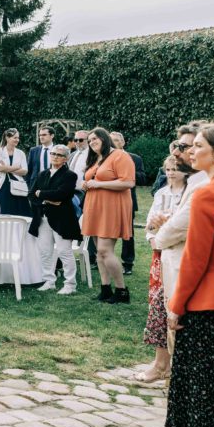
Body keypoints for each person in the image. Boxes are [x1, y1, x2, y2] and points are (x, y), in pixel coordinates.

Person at [163, 122, 214, 427]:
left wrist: (176, 305)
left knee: (204, 385)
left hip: (207, 302)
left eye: (198, 146)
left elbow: (196, 259)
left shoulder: (206, 195)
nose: (190, 152)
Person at [146, 123, 214, 427]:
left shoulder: (206, 186)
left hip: (194, 281)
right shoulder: (195, 183)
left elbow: (182, 228)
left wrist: (159, 236)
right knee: (183, 359)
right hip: (181, 272)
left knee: (192, 363)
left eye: (192, 146)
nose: (183, 152)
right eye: (183, 146)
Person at [135, 155, 185, 383]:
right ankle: (161, 362)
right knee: (158, 304)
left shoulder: (189, 194)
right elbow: (150, 222)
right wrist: (152, 237)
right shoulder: (162, 193)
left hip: (180, 252)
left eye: (176, 169)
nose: (172, 173)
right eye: (168, 169)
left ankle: (173, 363)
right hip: (160, 253)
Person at [81, 127, 136, 303]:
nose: (92, 143)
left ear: (104, 138)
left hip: (111, 207)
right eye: (89, 141)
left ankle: (122, 290)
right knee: (99, 252)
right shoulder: (97, 159)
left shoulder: (120, 155)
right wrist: (87, 184)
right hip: (95, 206)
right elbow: (94, 179)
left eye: (95, 139)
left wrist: (98, 184)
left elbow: (128, 182)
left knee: (105, 250)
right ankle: (105, 288)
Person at [27, 144, 81, 294]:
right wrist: (46, 198)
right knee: (45, 251)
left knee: (64, 252)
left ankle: (70, 284)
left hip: (62, 219)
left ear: (66, 159)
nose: (55, 156)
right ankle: (49, 281)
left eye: (59, 155)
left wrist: (41, 194)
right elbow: (31, 194)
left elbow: (61, 195)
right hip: (42, 218)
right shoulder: (42, 174)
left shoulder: (70, 175)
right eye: (53, 153)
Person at [110, 131, 147, 275]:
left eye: (116, 140)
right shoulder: (103, 158)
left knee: (127, 233)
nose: (113, 143)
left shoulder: (134, 158)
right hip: (107, 200)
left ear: (123, 142)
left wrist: (126, 173)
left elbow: (143, 178)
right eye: (111, 140)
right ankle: (103, 259)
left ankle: (128, 263)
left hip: (128, 200)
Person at [0, 128, 31, 217]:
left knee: (22, 215)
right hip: (2, 187)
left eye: (18, 138)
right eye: (14, 137)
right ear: (7, 138)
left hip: (18, 187)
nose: (17, 140)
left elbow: (24, 171)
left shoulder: (21, 153)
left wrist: (7, 168)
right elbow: (0, 168)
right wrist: (17, 167)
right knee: (4, 214)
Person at [26, 125, 57, 191]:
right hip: (35, 186)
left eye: (44, 135)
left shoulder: (58, 149)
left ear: (52, 136)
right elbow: (29, 170)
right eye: (40, 135)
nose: (41, 137)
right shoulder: (33, 150)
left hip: (53, 185)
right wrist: (29, 186)